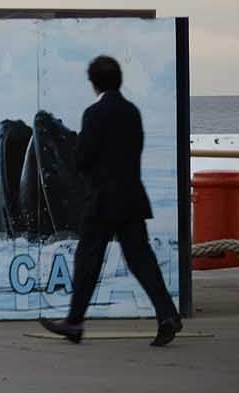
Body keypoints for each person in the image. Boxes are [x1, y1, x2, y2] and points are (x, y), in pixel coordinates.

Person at [40, 55, 183, 347]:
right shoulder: (132, 112)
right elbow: (136, 149)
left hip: (102, 200)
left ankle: (75, 322)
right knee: (142, 260)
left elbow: (83, 158)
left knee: (87, 259)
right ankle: (168, 314)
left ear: (94, 84)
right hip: (131, 197)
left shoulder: (94, 114)